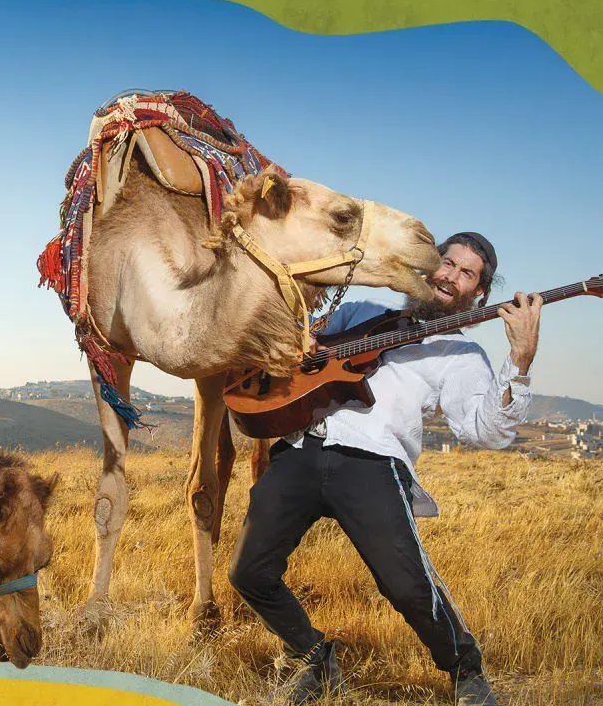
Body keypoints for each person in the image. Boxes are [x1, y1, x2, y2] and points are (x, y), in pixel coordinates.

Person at [227, 232, 542, 706]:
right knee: (248, 572)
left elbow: (487, 432)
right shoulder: (360, 311)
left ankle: (466, 670)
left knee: (408, 587)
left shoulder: (460, 356)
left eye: (467, 273)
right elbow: (298, 346)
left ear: (479, 293)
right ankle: (313, 656)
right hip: (301, 448)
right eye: (447, 263)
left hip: (373, 463)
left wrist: (520, 359)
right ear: (428, 266)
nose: (451, 276)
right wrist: (300, 341)